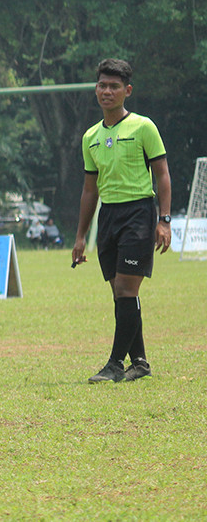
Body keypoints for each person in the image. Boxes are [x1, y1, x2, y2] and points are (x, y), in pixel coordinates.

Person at [71, 58, 171, 384]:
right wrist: (81, 236)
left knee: (127, 289)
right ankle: (139, 362)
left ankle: (115, 364)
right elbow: (89, 190)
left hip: (139, 213)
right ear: (95, 89)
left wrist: (164, 220)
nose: (107, 91)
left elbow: (163, 175)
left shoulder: (143, 127)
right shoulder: (90, 137)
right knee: (120, 292)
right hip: (109, 216)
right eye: (102, 85)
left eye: (114, 86)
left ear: (127, 91)